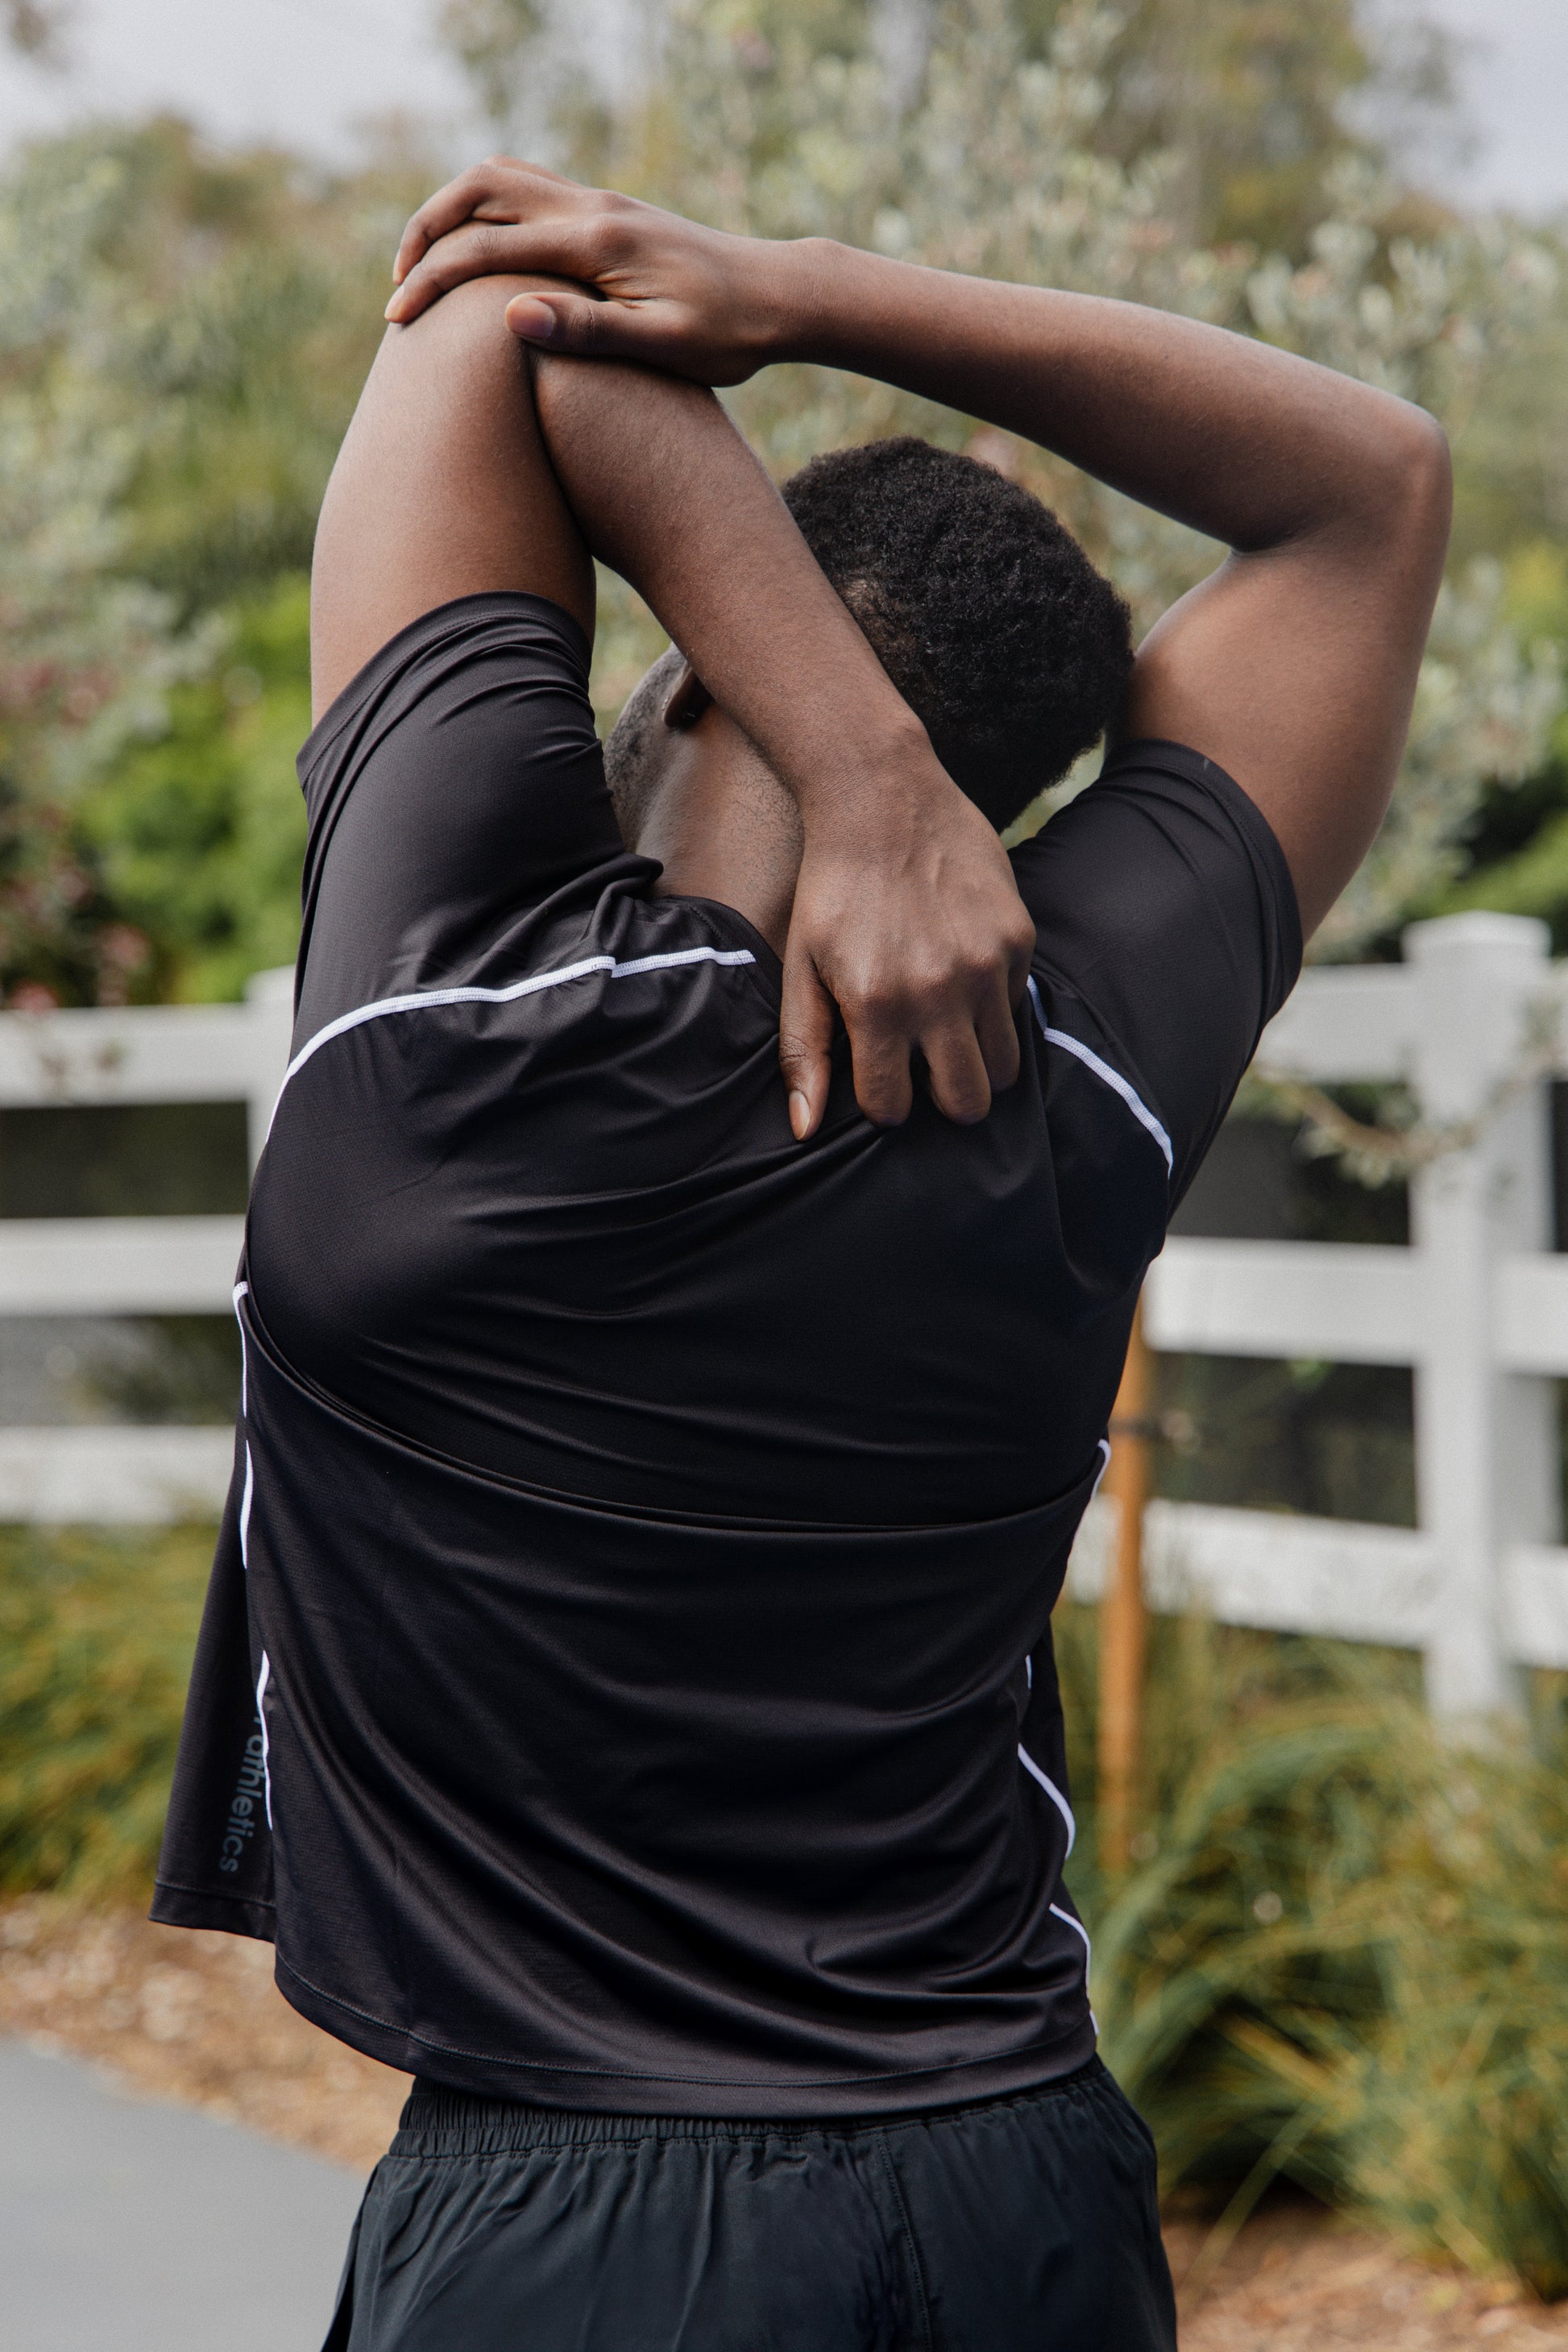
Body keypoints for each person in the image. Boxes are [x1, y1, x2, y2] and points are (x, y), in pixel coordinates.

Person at [151, 157, 1450, 2350]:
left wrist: (843, 756)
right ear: (1016, 806)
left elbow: (492, 311)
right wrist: (813, 295)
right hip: (1018, 2184)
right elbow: (1372, 485)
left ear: (673, 682)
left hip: (581, 2230)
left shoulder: (438, 1024)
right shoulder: (1083, 1069)